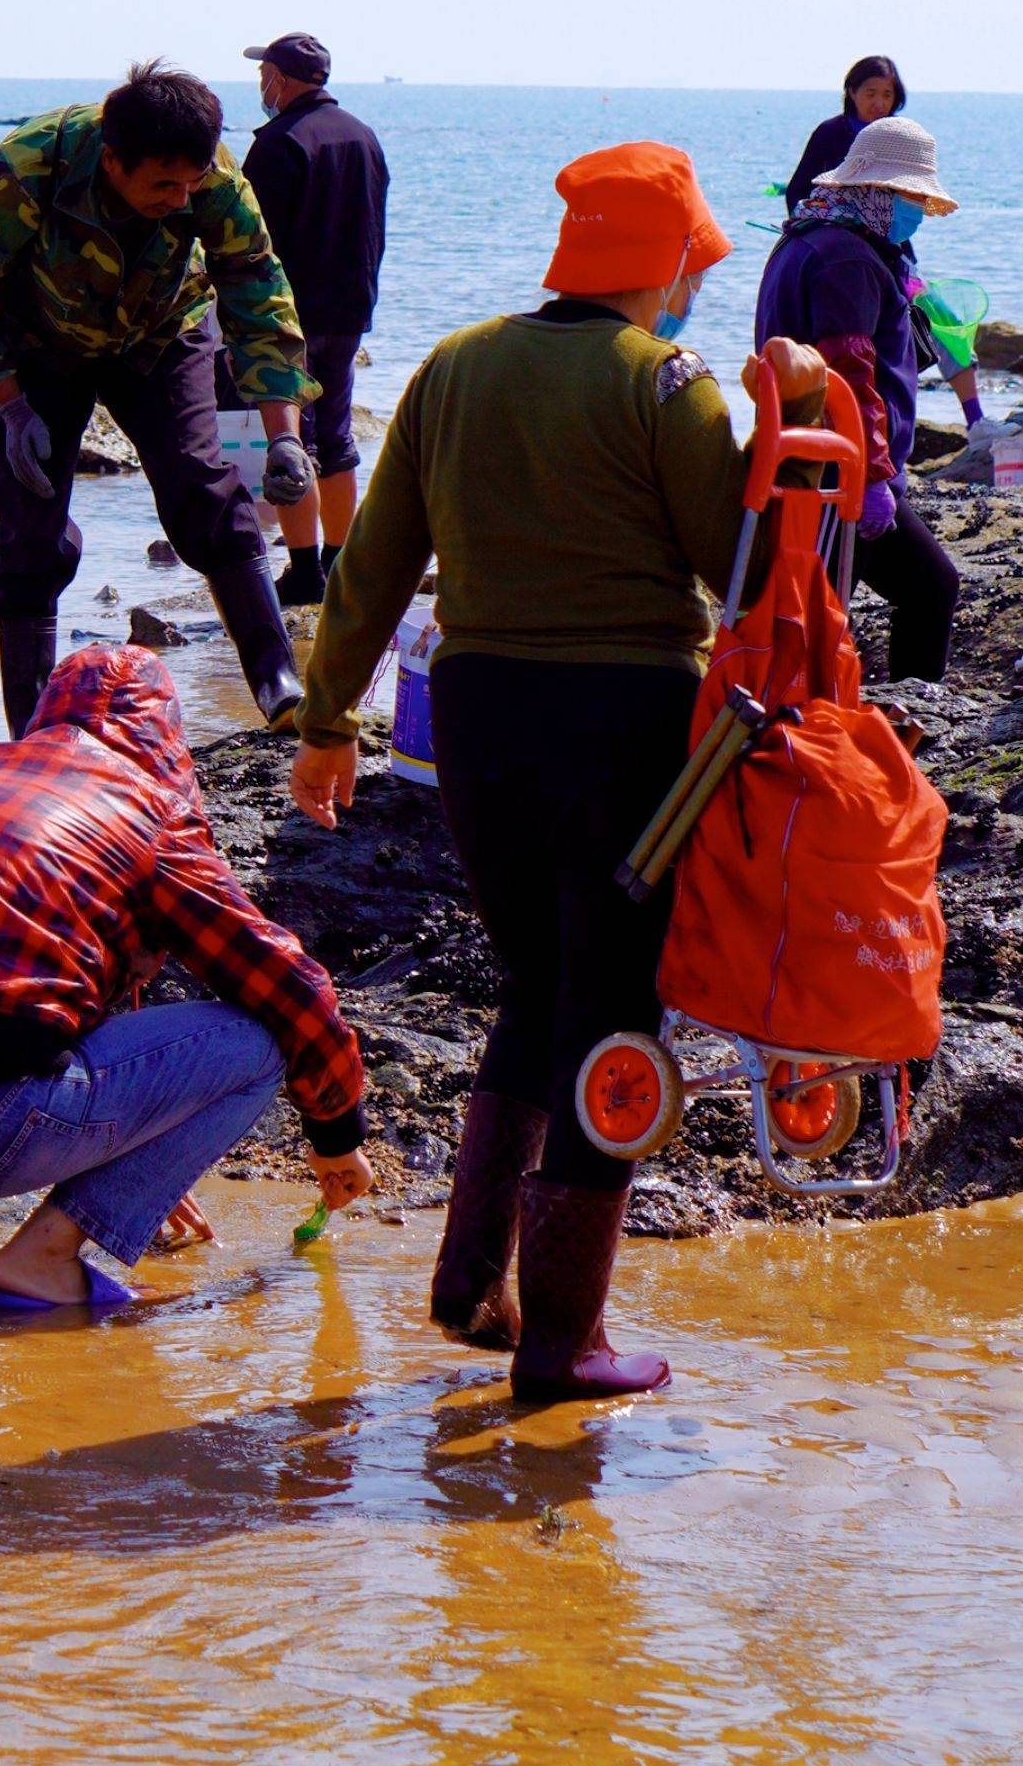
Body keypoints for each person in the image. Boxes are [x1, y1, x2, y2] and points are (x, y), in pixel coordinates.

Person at [294, 142, 829, 1402]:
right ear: (672, 261)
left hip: (473, 716)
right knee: (610, 1009)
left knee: (534, 986)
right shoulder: (666, 382)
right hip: (624, 718)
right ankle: (563, 1336)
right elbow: (740, 575)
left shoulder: (455, 363)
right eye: (698, 258)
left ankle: (473, 1277)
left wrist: (327, 720)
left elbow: (371, 560)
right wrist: (792, 423)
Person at [0, 643, 372, 1310]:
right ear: (165, 739)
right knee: (255, 1043)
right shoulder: (148, 809)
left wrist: (139, 1139)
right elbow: (287, 984)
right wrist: (335, 1134)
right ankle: (43, 1256)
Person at [0, 62, 317, 738]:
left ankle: (277, 683)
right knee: (30, 527)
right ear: (112, 161)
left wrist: (282, 430)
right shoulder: (26, 167)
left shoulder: (210, 176)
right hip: (38, 345)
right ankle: (31, 728)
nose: (179, 196)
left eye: (189, 183)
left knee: (201, 490)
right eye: (162, 184)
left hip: (161, 334)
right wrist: (11, 404)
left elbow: (256, 287)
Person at [754, 116, 963, 684]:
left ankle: (895, 720)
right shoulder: (848, 261)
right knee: (829, 615)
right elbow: (849, 376)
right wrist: (870, 477)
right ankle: (869, 730)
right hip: (839, 472)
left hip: (808, 459)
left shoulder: (808, 237)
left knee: (918, 590)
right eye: (911, 197)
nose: (917, 211)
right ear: (876, 192)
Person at [239, 32, 389, 605]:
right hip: (350, 307)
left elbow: (250, 240)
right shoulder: (363, 136)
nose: (260, 84)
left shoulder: (279, 143)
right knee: (337, 431)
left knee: (289, 434)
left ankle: (303, 570)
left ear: (281, 77)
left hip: (288, 313)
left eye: (264, 74)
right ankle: (338, 562)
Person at [784, 56, 906, 217]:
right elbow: (797, 191)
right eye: (871, 94)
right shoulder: (829, 131)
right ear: (852, 92)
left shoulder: (901, 137)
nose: (879, 103)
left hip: (887, 231)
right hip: (829, 224)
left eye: (887, 95)